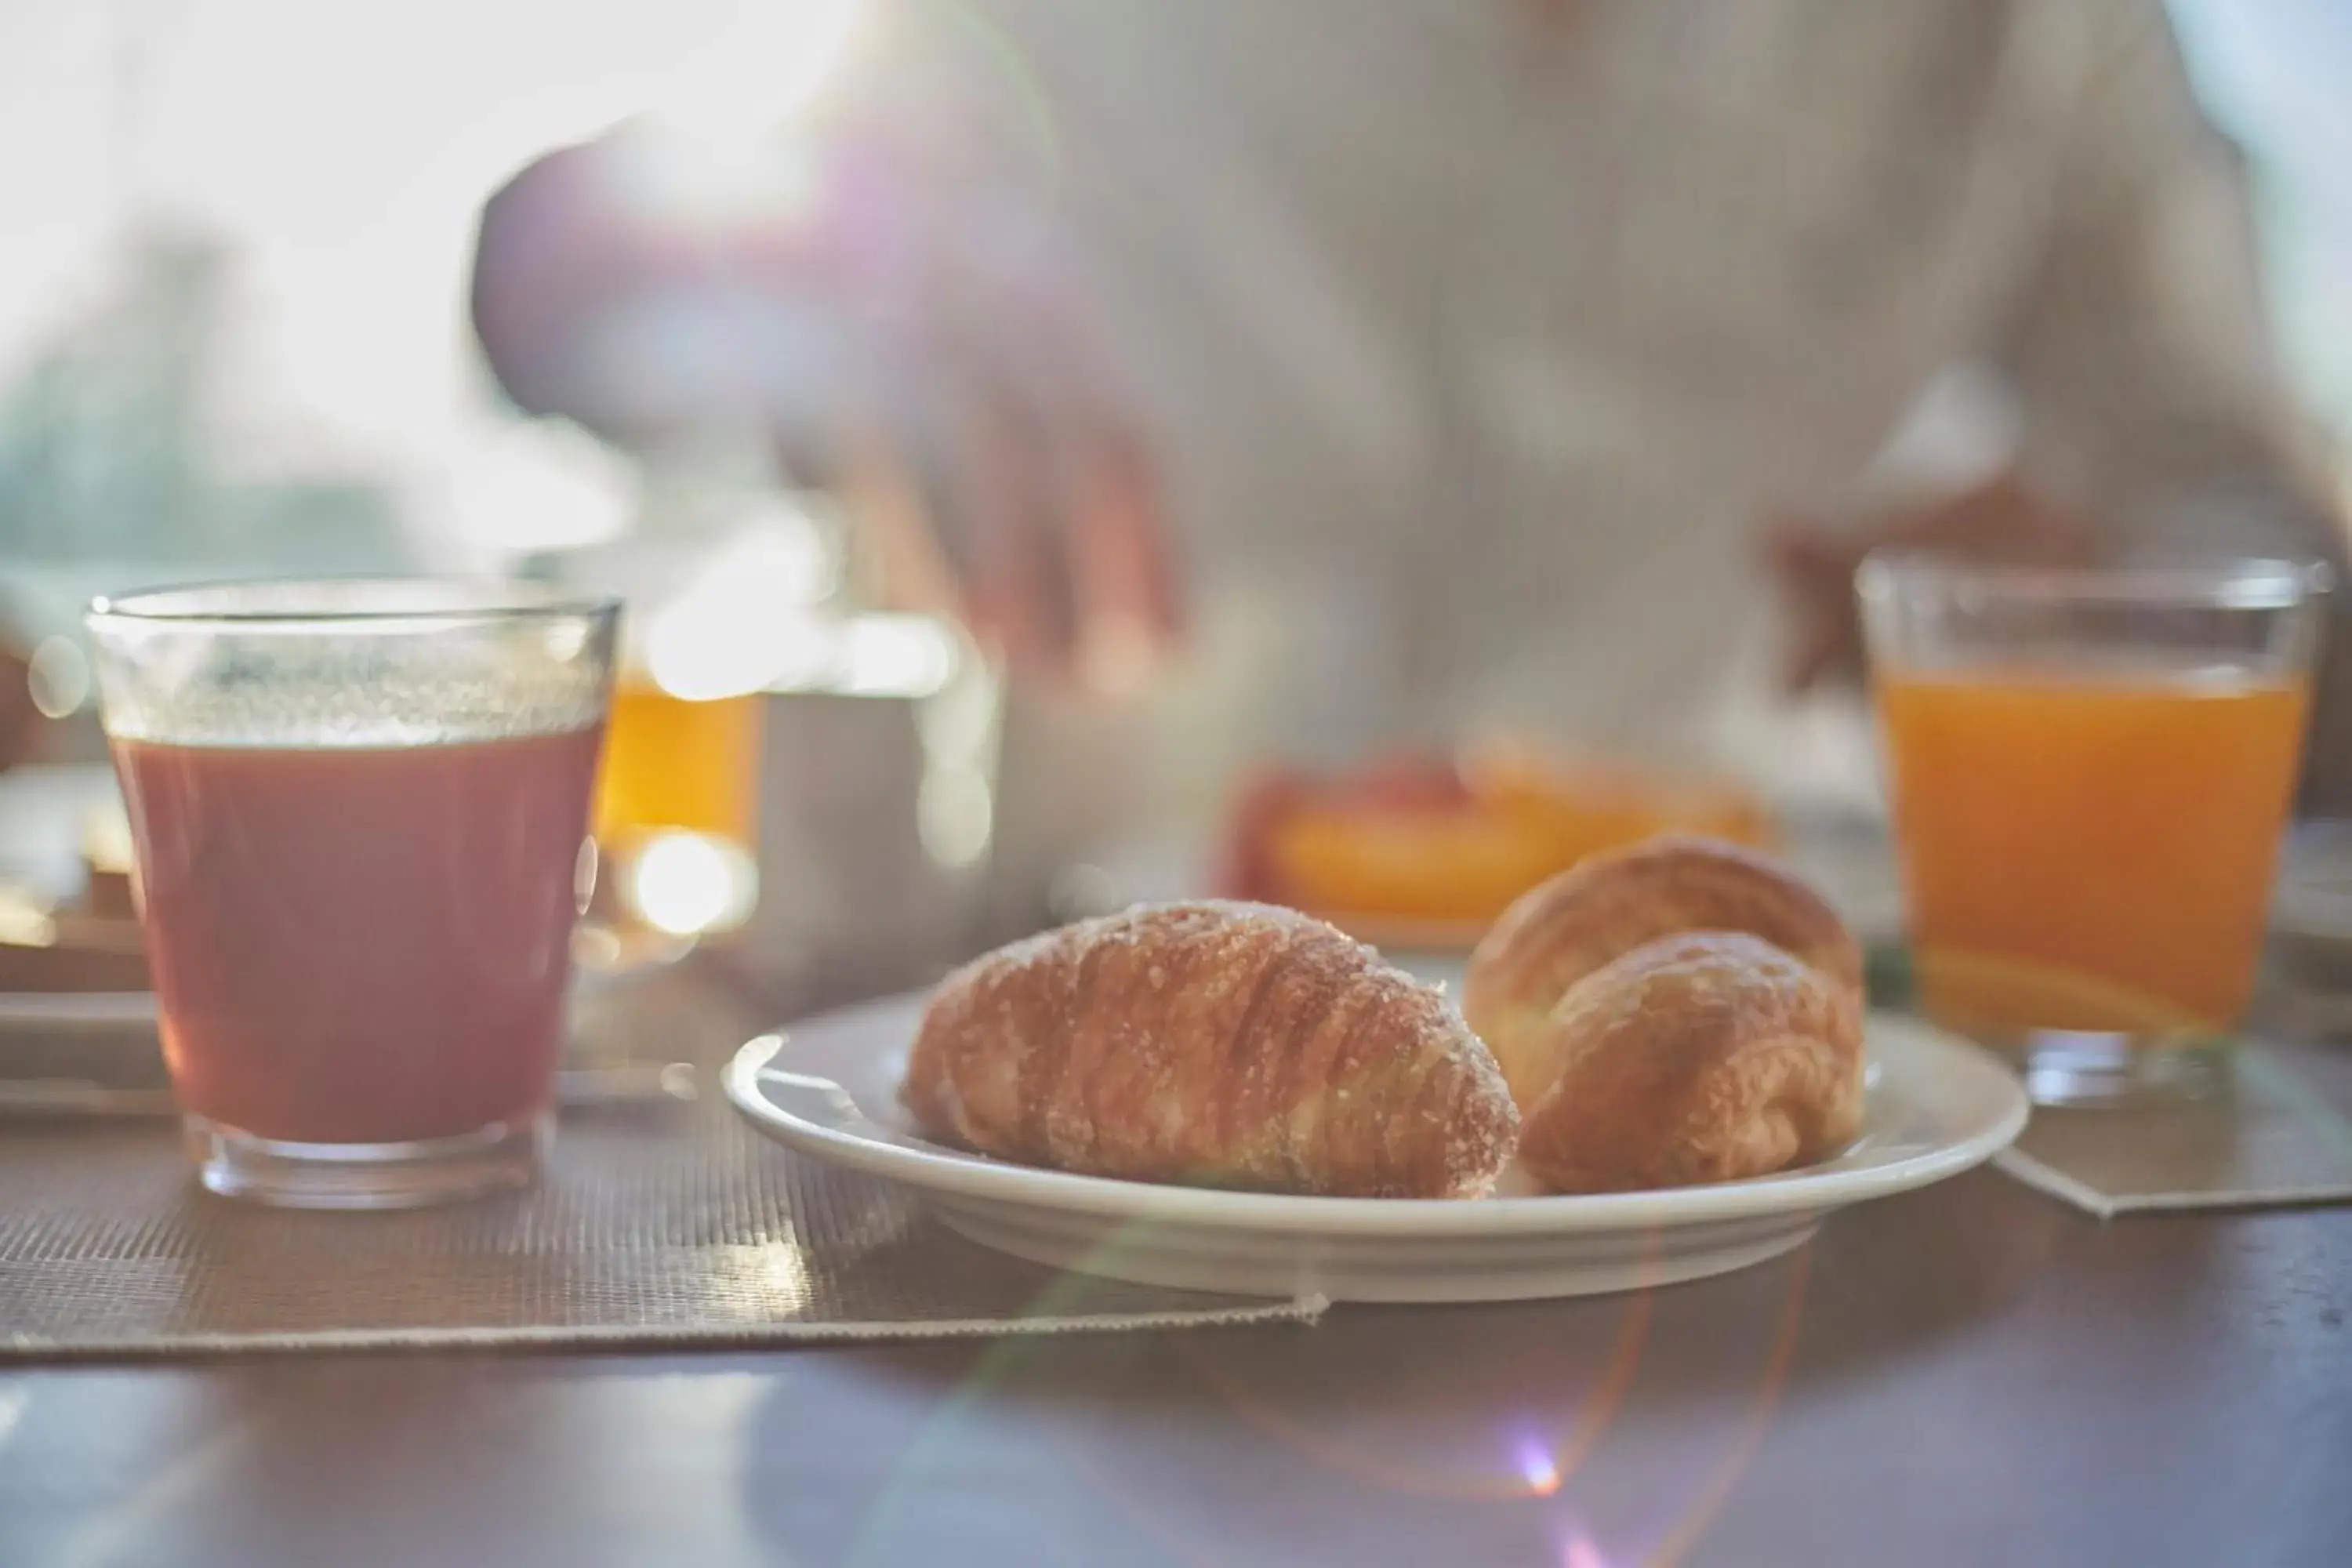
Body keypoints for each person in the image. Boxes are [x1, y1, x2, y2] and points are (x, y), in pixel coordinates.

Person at [470, 0, 2348, 913]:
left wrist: (2105, 611)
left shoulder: (2032, 39)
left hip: (1678, 1099)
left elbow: (2259, 531)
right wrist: (805, 278)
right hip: (1016, 1063)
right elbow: (555, 295)